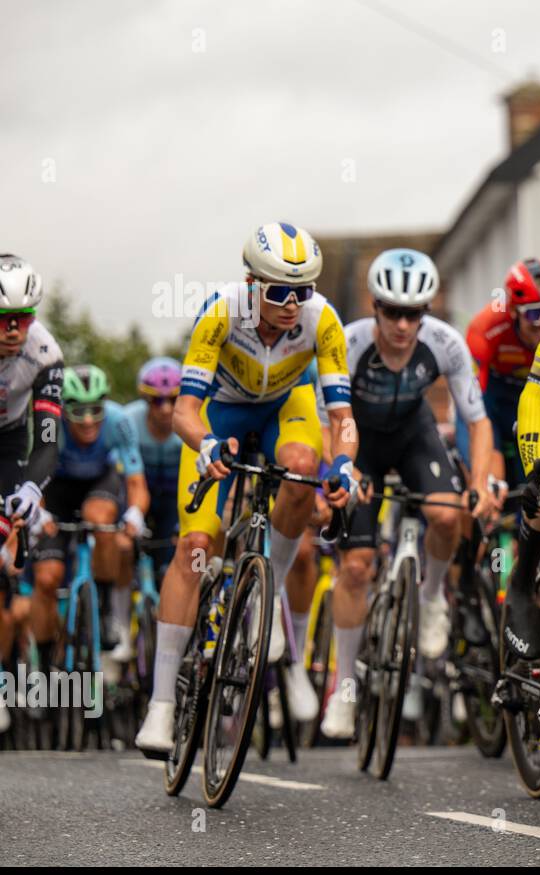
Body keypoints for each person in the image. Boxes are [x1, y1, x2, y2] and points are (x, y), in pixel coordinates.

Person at [135, 222, 357, 755]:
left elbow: (342, 416)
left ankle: (268, 597)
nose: (291, 304)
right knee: (194, 547)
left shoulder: (323, 320)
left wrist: (346, 464)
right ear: (251, 283)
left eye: (302, 292)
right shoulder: (220, 311)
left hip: (288, 406)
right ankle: (162, 704)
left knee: (304, 468)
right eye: (279, 291)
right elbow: (186, 410)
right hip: (222, 411)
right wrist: (207, 445)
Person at [320, 248, 497, 739]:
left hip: (414, 434)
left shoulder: (445, 343)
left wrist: (480, 481)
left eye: (414, 313)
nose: (402, 324)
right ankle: (345, 689)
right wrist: (339, 471)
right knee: (355, 567)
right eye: (393, 312)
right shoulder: (350, 343)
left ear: (427, 312)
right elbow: (327, 422)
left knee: (446, 515)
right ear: (375, 307)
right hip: (359, 439)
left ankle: (433, 595)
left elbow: (477, 422)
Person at [30, 365, 149, 684]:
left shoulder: (118, 421)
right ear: (63, 407)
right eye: (77, 410)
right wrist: (38, 514)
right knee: (46, 580)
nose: (86, 420)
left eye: (95, 409)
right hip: (55, 490)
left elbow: (136, 482)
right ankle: (42, 664)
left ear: (105, 405)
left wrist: (136, 512)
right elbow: (33, 479)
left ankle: (106, 610)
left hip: (99, 482)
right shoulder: (49, 425)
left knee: (101, 521)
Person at [0, 255, 63, 733]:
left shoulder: (44, 353)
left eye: (24, 317)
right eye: (4, 319)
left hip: (8, 442)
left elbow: (46, 442)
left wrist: (28, 488)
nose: (14, 330)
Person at [465, 257, 540, 490]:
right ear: (513, 312)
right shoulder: (486, 328)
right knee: (490, 478)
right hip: (496, 403)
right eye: (533, 314)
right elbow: (471, 402)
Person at [124, 358, 184, 573]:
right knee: (122, 550)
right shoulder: (128, 419)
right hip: (136, 493)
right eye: (157, 401)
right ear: (146, 398)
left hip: (173, 500)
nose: (166, 409)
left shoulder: (192, 423)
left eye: (174, 399)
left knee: (172, 561)